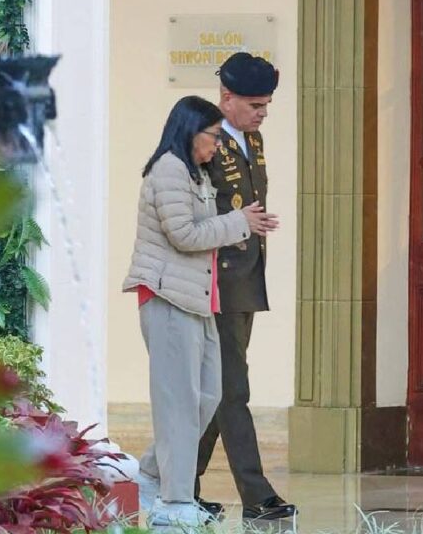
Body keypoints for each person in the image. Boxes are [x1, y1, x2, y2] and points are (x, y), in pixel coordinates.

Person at [123, 95, 278, 527]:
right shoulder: (169, 170)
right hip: (167, 298)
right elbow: (184, 235)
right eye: (212, 136)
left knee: (207, 397)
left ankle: (150, 475)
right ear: (191, 133)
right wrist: (240, 222)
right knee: (178, 404)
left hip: (198, 299)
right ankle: (174, 503)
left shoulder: (194, 172)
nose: (216, 145)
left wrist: (236, 223)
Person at [194, 53, 297, 521]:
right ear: (227, 98)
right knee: (233, 389)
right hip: (217, 280)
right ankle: (257, 497)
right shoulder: (206, 141)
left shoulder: (252, 139)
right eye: (255, 105)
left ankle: (180, 486)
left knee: (219, 390)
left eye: (266, 105)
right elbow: (197, 212)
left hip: (247, 278)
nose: (262, 113)